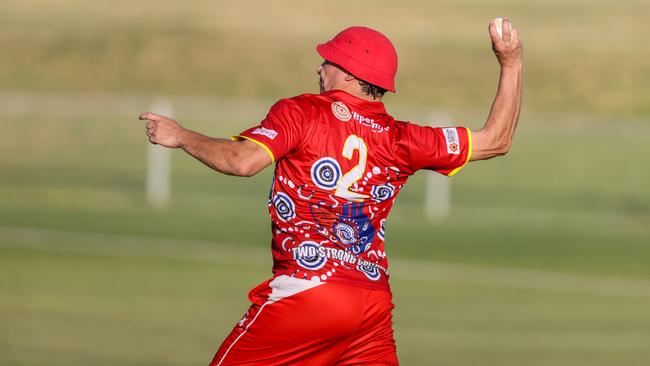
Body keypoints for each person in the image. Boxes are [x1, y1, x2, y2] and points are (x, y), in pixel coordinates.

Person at [139, 19, 522, 366]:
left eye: (328, 61)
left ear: (351, 75)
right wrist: (511, 63)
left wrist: (181, 136)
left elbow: (243, 161)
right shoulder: (403, 137)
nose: (319, 68)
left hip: (308, 292)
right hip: (370, 306)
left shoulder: (302, 111)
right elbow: (496, 140)